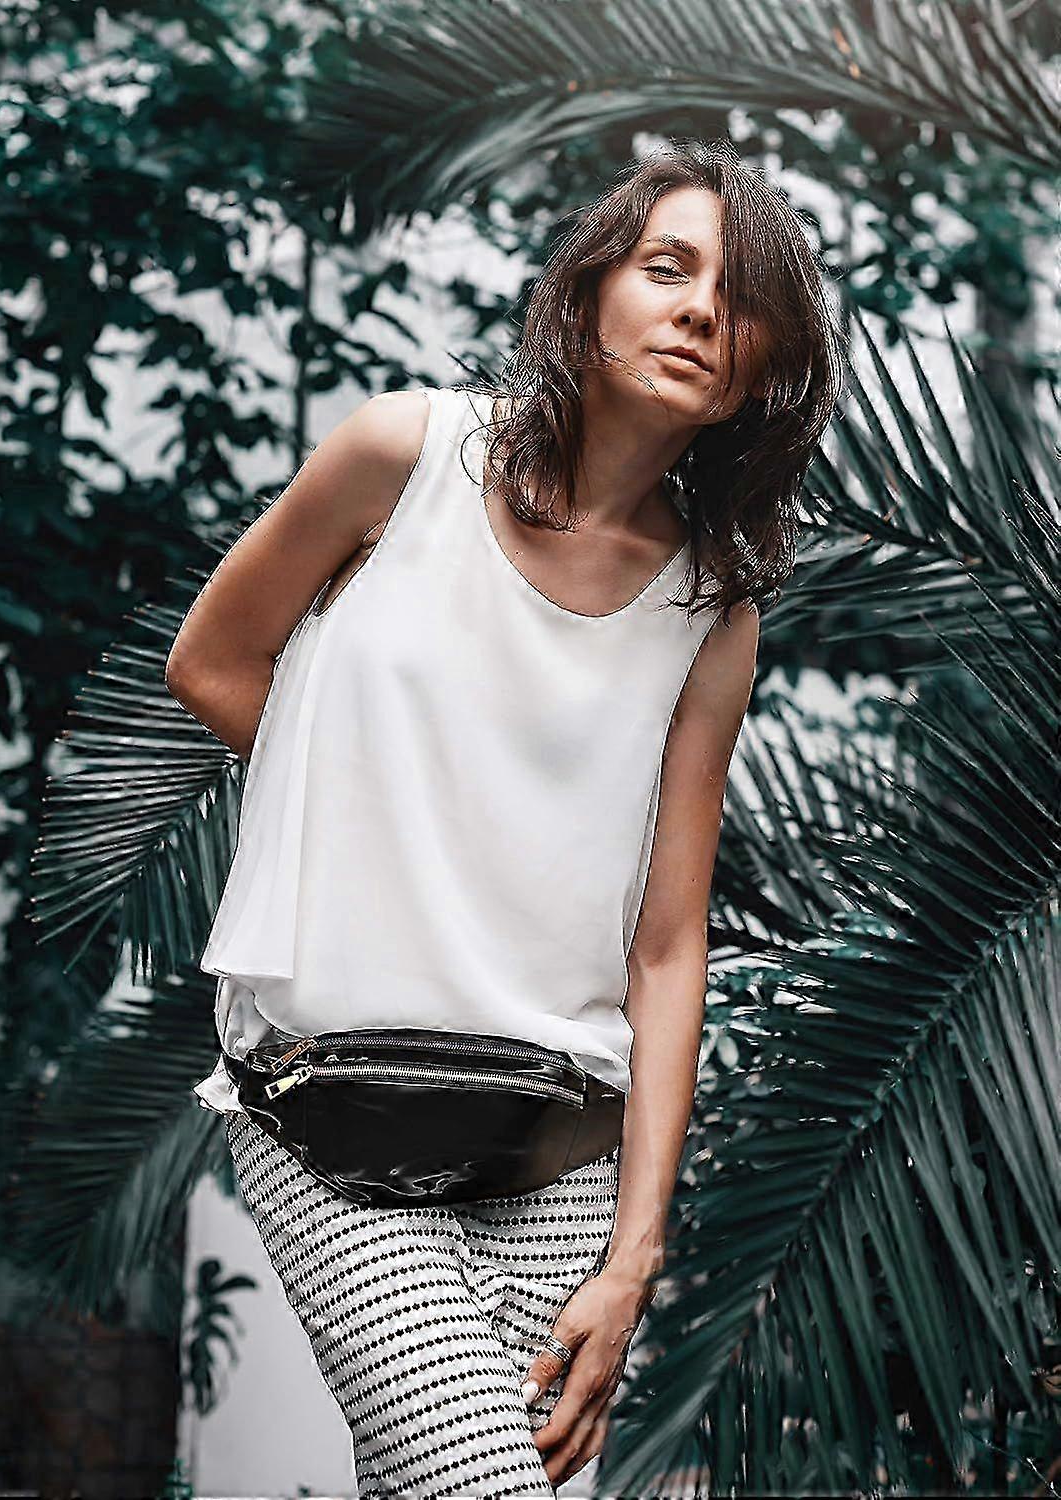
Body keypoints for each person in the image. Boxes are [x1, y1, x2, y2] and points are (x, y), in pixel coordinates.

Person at [167, 139, 844, 1496]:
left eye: (741, 301)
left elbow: (668, 944)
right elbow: (215, 664)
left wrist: (636, 1255)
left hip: (560, 1147)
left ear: (761, 372)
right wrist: (378, 835)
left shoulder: (711, 611)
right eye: (669, 268)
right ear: (587, 294)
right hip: (327, 1103)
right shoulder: (401, 457)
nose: (701, 312)